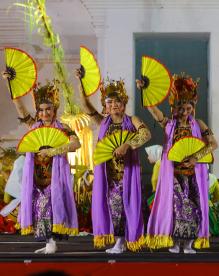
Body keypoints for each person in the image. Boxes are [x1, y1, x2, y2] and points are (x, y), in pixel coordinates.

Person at [2, 71, 80, 254]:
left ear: (54, 110)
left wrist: (53, 150)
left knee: (51, 207)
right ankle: (48, 242)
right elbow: (20, 110)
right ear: (38, 111)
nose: (45, 113)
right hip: (37, 177)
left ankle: (51, 242)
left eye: (48, 109)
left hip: (54, 177)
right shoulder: (34, 127)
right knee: (39, 208)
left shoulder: (63, 128)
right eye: (41, 110)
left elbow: (76, 144)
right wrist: (10, 84)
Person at [77, 71, 151, 254]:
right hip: (109, 176)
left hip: (127, 174)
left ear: (124, 104)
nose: (114, 105)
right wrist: (81, 82)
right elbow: (85, 106)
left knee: (129, 207)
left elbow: (146, 134)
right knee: (114, 208)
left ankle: (125, 241)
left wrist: (127, 145)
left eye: (117, 101)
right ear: (105, 107)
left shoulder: (132, 120)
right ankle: (120, 241)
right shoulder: (103, 122)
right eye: (109, 102)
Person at [143, 73, 217, 254]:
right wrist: (145, 91)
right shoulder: (169, 124)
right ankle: (175, 242)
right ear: (174, 108)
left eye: (188, 108)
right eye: (181, 108)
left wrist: (196, 157)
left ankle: (189, 242)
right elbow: (154, 111)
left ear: (192, 108)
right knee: (176, 207)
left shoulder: (199, 125)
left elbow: (213, 144)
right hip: (174, 175)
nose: (184, 112)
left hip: (192, 175)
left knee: (193, 207)